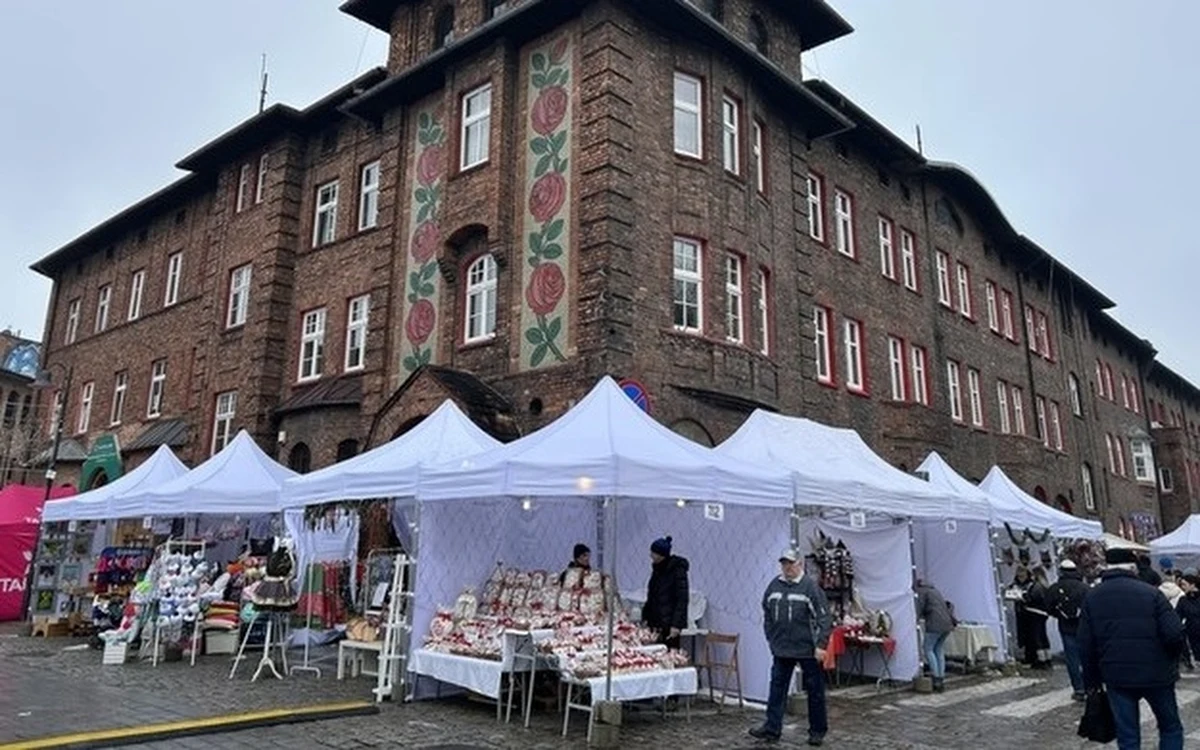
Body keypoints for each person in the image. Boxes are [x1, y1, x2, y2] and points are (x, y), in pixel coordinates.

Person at [1079, 547, 1185, 750]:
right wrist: (1170, 662)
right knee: (1170, 727)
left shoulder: (1092, 598)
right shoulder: (1152, 594)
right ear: (1133, 568)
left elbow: (1086, 644)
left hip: (1116, 675)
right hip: (1157, 673)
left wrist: (1091, 681)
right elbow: (1174, 633)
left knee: (1127, 735)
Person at [750, 548, 831, 746]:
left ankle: (817, 731)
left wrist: (820, 645)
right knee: (777, 688)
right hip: (782, 648)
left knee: (815, 690)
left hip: (807, 649)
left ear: (800, 564)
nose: (787, 567)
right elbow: (767, 611)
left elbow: (824, 618)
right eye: (784, 563)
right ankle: (772, 728)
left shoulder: (810, 588)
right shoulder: (774, 585)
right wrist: (771, 637)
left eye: (791, 563)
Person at [1045, 559, 1088, 700]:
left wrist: (1060, 615)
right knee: (1087, 657)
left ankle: (1079, 689)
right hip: (1084, 626)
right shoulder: (1084, 587)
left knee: (1072, 659)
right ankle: (1090, 686)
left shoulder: (1055, 588)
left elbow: (1049, 607)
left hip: (1066, 626)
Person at [642, 536, 689, 650]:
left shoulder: (677, 571)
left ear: (660, 554)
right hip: (656, 622)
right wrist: (646, 617)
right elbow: (652, 596)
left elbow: (682, 599)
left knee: (669, 654)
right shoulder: (657, 570)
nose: (650, 555)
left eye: (653, 552)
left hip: (669, 624)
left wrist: (676, 625)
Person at [915, 579, 954, 693]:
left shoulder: (923, 592)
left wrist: (915, 618)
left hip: (935, 624)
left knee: (928, 649)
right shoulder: (935, 591)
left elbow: (919, 608)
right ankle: (941, 677)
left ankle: (936, 678)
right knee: (938, 649)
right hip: (947, 624)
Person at [1013, 566, 1051, 669]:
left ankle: (1041, 660)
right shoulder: (1043, 585)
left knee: (1037, 637)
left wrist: (1022, 598)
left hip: (1035, 613)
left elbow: (1033, 598)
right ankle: (1046, 659)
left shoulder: (1036, 586)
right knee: (1042, 636)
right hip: (1039, 613)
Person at [1175, 575, 1200, 671]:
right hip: (1191, 637)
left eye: (1184, 584)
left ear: (1192, 585)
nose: (1182, 587)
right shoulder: (1183, 600)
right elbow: (1177, 617)